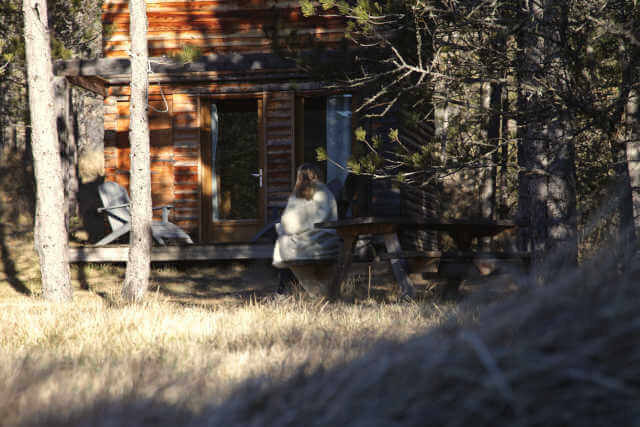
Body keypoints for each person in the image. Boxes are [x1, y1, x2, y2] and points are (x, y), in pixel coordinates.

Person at [272, 163, 341, 268]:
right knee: (286, 243)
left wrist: (285, 229)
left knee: (284, 243)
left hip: (317, 240)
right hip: (321, 241)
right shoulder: (324, 192)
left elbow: (290, 224)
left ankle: (288, 282)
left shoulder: (316, 193)